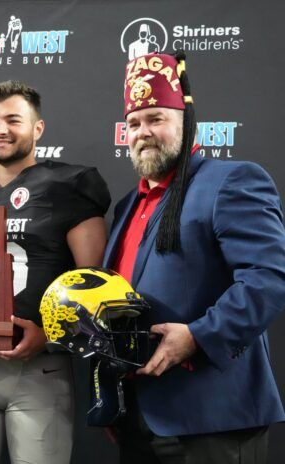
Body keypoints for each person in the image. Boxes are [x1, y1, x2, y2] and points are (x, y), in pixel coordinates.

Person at [103, 50, 285, 463]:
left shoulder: (232, 181)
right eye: (134, 123)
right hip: (139, 418)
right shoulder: (127, 205)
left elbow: (267, 280)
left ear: (187, 123)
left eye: (156, 119)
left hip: (212, 419)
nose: (143, 132)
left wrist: (198, 337)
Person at [0, 80, 110, 464]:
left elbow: (94, 286)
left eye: (13, 119)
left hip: (38, 368)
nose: (0, 130)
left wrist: (47, 335)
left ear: (37, 128)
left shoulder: (69, 186)